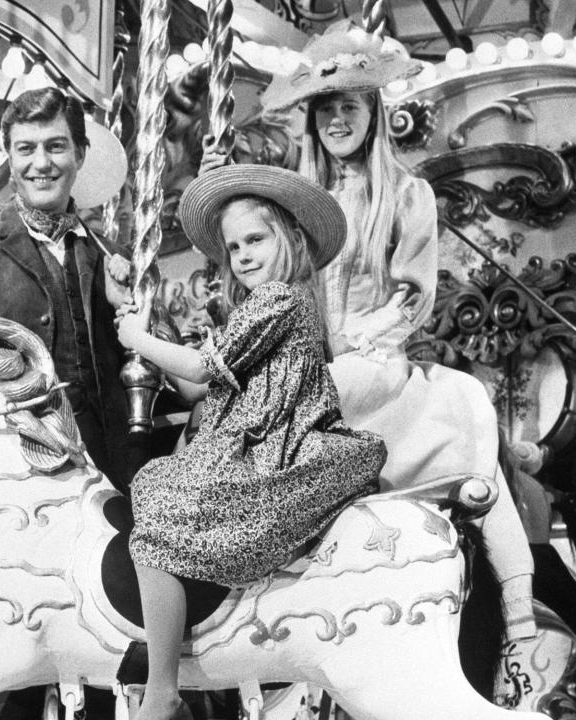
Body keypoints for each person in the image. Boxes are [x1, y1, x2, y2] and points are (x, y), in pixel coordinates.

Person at [233, 21, 535, 641]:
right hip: (307, 353)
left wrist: (356, 337)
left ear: (373, 113)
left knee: (304, 406)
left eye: (349, 107)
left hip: (374, 353)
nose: (336, 121)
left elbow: (412, 294)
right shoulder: (299, 201)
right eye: (325, 111)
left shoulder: (404, 193)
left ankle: (519, 600)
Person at [115, 164, 386, 720]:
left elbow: (197, 365)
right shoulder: (261, 307)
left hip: (278, 452)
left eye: (255, 239)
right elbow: (196, 383)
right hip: (257, 442)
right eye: (233, 247)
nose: (241, 255)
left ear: (289, 238)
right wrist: (153, 328)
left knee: (157, 491)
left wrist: (137, 338)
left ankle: (162, 689)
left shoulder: (279, 300)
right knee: (161, 482)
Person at [0, 87, 132, 493]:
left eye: (56, 147)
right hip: (8, 476)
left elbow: (145, 358)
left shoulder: (110, 254)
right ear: (11, 159)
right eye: (26, 149)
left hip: (108, 470)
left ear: (80, 155)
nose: (42, 164)